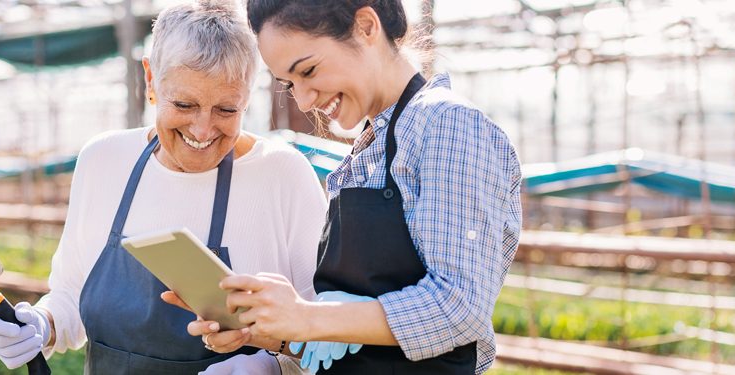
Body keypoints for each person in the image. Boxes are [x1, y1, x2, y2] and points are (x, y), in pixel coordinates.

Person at [168, 0, 523, 374]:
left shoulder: (447, 127)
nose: (304, 100)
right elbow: (353, 344)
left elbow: (459, 307)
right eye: (290, 84)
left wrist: (311, 317)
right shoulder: (365, 153)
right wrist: (265, 329)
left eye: (308, 70)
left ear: (366, 27)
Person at [0, 1, 325, 373]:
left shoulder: (281, 176)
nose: (203, 129)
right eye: (184, 104)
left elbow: (331, 340)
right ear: (150, 81)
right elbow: (71, 295)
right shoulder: (104, 161)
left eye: (226, 110)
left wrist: (268, 367)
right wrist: (42, 324)